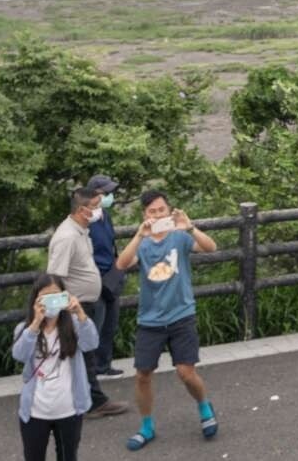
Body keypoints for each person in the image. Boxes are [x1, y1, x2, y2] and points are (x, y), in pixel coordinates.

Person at [115, 190, 220, 451]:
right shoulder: (144, 242)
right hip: (149, 319)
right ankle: (147, 426)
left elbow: (211, 247)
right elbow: (122, 264)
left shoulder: (180, 237)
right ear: (145, 215)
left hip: (181, 314)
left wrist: (191, 227)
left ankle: (204, 406)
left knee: (186, 372)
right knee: (142, 374)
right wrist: (139, 235)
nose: (157, 215)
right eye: (152, 211)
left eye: (161, 210)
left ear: (169, 211)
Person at [47, 188, 129, 419]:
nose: (100, 209)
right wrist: (64, 308)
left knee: (85, 353)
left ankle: (86, 400)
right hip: (78, 305)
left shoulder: (81, 231)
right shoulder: (67, 237)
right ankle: (93, 402)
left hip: (89, 302)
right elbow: (54, 277)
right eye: (96, 205)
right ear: (83, 210)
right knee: (85, 353)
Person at [11, 274, 99, 461]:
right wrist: (35, 323)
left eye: (56, 296)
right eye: (45, 298)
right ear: (36, 300)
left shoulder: (74, 325)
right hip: (35, 410)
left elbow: (91, 343)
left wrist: (80, 313)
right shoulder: (24, 329)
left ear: (65, 297)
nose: (51, 303)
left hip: (69, 408)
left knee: (68, 456)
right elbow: (18, 355)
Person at [86, 173, 124, 377]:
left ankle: (104, 364)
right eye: (106, 192)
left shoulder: (105, 216)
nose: (110, 195)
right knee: (95, 326)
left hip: (110, 276)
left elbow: (110, 244)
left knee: (110, 324)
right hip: (93, 279)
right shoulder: (85, 219)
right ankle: (91, 370)